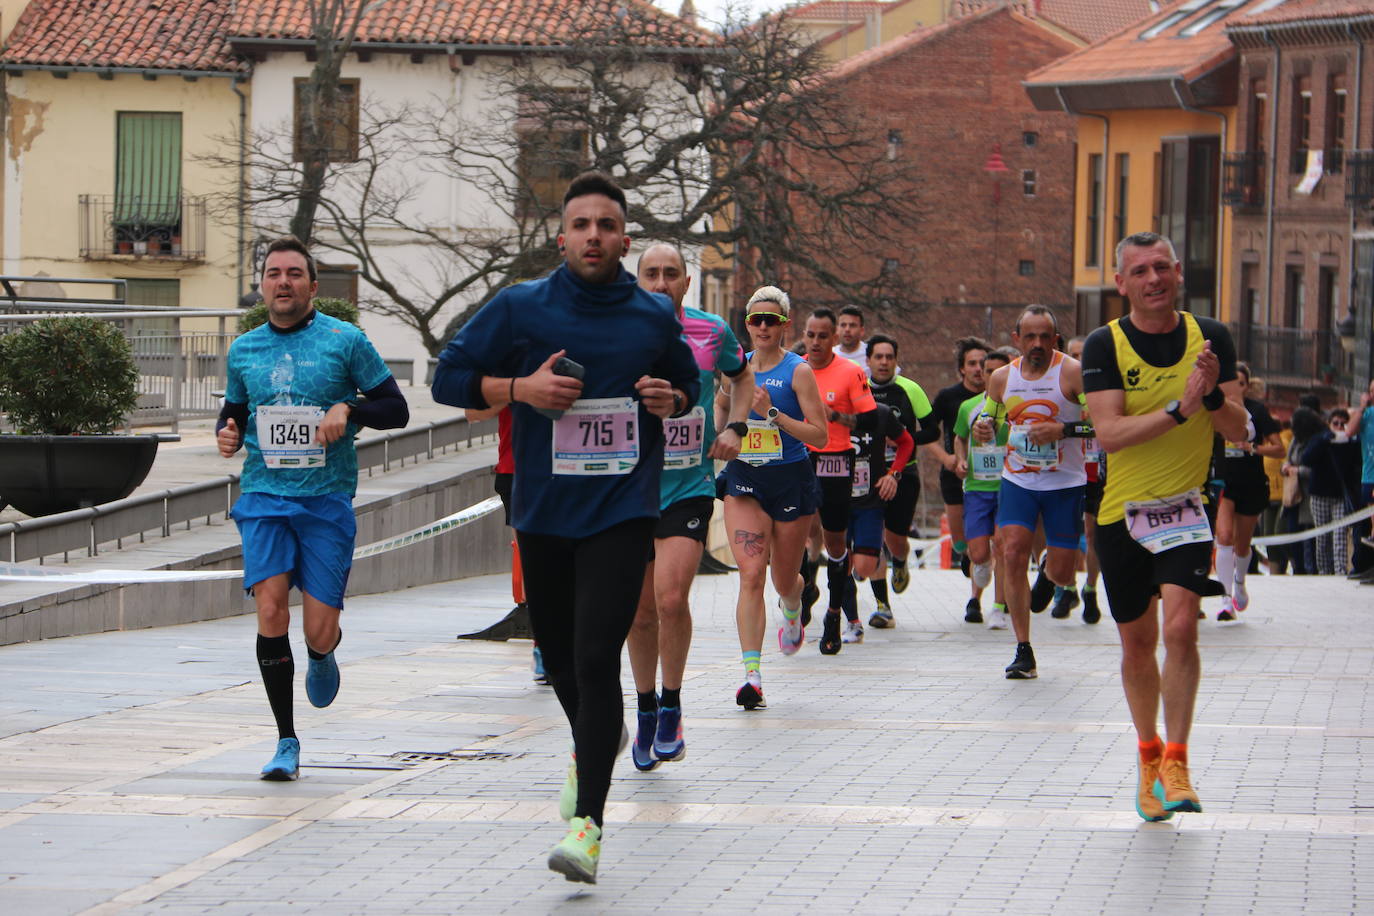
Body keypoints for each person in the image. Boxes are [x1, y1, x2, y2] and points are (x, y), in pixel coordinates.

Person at [430, 171, 700, 884]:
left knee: (593, 657)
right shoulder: (522, 309)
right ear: (561, 237)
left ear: (624, 238)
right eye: (581, 225)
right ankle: (593, 745)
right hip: (544, 513)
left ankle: (588, 830)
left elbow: (687, 387)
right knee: (559, 661)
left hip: (622, 510)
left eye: (606, 226)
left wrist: (671, 396)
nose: (593, 236)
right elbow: (447, 379)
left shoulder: (651, 317)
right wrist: (521, 389)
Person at [217, 236, 409, 783]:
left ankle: (323, 655)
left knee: (318, 630)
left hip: (325, 499)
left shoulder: (345, 340)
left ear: (313, 286)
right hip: (263, 498)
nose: (284, 282)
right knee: (272, 611)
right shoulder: (244, 350)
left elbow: (395, 407)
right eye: (274, 274)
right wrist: (226, 435)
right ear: (262, 285)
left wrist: (349, 408)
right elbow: (233, 411)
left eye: (295, 274)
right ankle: (286, 739)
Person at [1081, 231, 1248, 821]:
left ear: (1179, 271)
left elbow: (1238, 430)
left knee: (1180, 628)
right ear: (1121, 283)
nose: (1154, 279)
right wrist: (1181, 407)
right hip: (1120, 515)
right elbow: (1110, 433)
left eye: (1162, 268)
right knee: (1138, 644)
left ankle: (1177, 759)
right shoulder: (1104, 344)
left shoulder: (1212, 339)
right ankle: (1148, 756)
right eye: (1140, 271)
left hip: (1185, 511)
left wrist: (1208, 400)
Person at [626, 243, 753, 770]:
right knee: (640, 611)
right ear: (637, 282)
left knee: (672, 598)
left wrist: (734, 427)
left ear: (686, 283)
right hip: (628, 491)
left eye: (670, 274)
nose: (660, 282)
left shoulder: (711, 332)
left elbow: (740, 377)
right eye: (650, 274)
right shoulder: (615, 331)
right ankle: (647, 707)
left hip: (688, 485)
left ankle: (673, 703)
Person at [719, 286, 828, 707]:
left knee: (784, 579)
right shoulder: (736, 367)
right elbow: (720, 417)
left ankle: (794, 604)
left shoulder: (798, 371)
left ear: (784, 325)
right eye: (755, 320)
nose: (763, 327)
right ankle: (752, 675)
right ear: (746, 324)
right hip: (745, 477)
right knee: (749, 575)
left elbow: (820, 434)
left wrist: (772, 414)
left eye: (772, 320)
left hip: (789, 478)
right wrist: (725, 406)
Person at [972, 306, 1087, 679]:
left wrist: (1063, 431)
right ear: (1017, 338)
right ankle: (1023, 649)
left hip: (1065, 483)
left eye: (1045, 337)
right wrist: (984, 429)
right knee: (1012, 550)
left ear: (1056, 339)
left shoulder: (1072, 372)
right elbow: (989, 418)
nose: (1037, 344)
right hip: (1018, 479)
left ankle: (1051, 573)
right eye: (1030, 337)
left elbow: (1100, 424)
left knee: (1065, 571)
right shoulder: (1002, 378)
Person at [799, 308, 881, 652]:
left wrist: (835, 416)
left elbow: (871, 422)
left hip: (836, 459)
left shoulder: (850, 372)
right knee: (799, 535)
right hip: (800, 458)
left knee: (835, 543)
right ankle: (804, 595)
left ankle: (834, 615)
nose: (816, 342)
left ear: (835, 339)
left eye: (823, 336)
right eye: (811, 335)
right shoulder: (794, 368)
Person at [865, 334, 938, 623]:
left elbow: (933, 431)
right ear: (868, 360)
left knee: (895, 537)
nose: (884, 363)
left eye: (889, 357)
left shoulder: (910, 389)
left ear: (896, 361)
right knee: (873, 536)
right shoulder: (858, 389)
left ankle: (901, 560)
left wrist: (903, 440)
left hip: (903, 472)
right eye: (878, 357)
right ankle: (882, 606)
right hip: (868, 475)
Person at [928, 337, 992, 622]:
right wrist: (948, 459)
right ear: (962, 370)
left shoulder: (999, 397)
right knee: (960, 541)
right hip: (955, 476)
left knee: (987, 542)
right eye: (972, 364)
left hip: (990, 479)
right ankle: (968, 554)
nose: (978, 369)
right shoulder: (948, 397)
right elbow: (926, 436)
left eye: (983, 364)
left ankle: (975, 600)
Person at [1213, 362, 1283, 622]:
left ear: (1246, 386)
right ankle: (1224, 599)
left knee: (1242, 545)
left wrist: (1252, 448)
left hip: (1251, 483)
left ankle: (1240, 582)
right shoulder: (1215, 410)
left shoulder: (1257, 411)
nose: (1234, 388)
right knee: (1224, 535)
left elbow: (1279, 449)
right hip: (1224, 481)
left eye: (1240, 383)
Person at [953, 347, 1014, 629]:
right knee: (978, 552)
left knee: (1003, 546)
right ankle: (981, 566)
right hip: (977, 486)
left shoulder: (1019, 406)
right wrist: (961, 459)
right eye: (989, 371)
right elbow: (959, 438)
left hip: (1009, 486)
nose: (991, 375)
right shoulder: (970, 406)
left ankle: (1000, 607)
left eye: (1000, 370)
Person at [843, 400, 915, 628]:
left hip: (870, 499)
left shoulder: (881, 413)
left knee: (863, 565)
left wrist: (893, 474)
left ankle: (883, 598)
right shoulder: (823, 409)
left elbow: (907, 442)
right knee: (840, 563)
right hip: (836, 499)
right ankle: (849, 621)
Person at [1293, 407, 1362, 575]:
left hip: (1339, 495)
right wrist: (1322, 442)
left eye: (1343, 424)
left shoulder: (1351, 443)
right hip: (1319, 494)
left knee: (1339, 535)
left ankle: (1339, 570)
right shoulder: (1319, 439)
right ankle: (1324, 570)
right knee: (1322, 536)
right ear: (1329, 424)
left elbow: (1355, 465)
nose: (1339, 426)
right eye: (1335, 423)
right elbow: (1306, 459)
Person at [1344, 379, 1374, 580]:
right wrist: (1362, 407)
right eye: (1371, 391)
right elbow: (1349, 431)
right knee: (1367, 526)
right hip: (1369, 476)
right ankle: (1365, 566)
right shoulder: (1367, 415)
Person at [835, 304, 869, 373]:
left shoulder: (871, 354)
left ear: (862, 331)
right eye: (843, 325)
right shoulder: (829, 355)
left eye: (852, 325)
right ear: (837, 329)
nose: (847, 329)